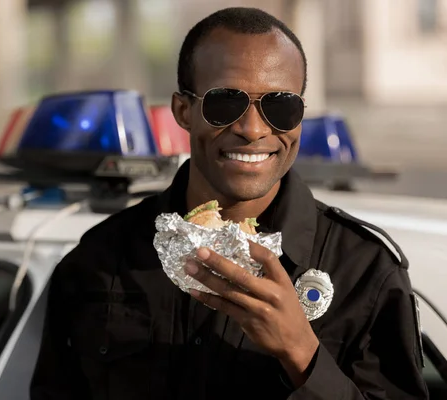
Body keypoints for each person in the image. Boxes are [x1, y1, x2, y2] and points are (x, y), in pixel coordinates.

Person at [30, 7, 428, 400]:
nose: (253, 129)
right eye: (225, 102)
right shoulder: (102, 259)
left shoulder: (364, 272)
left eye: (280, 105)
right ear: (183, 111)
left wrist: (301, 354)